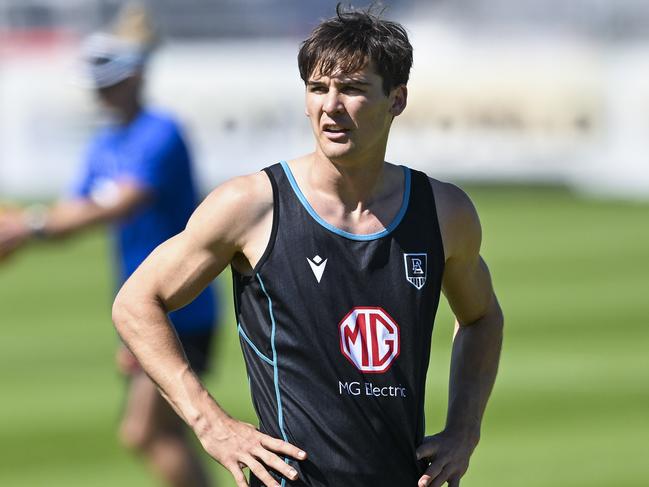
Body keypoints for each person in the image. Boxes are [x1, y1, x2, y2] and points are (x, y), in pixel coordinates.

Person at [111, 5, 504, 487]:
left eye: (353, 89)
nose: (330, 106)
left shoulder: (445, 213)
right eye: (318, 89)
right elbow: (135, 303)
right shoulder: (251, 205)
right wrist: (210, 423)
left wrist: (465, 429)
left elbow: (482, 318)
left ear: (397, 99)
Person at [0, 32, 217, 487]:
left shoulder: (161, 131)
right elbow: (71, 212)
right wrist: (26, 226)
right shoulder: (104, 144)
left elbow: (125, 201)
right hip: (142, 306)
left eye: (112, 82)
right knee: (163, 431)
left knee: (144, 431)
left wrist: (29, 226)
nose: (105, 94)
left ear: (136, 77)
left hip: (182, 303)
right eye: (99, 86)